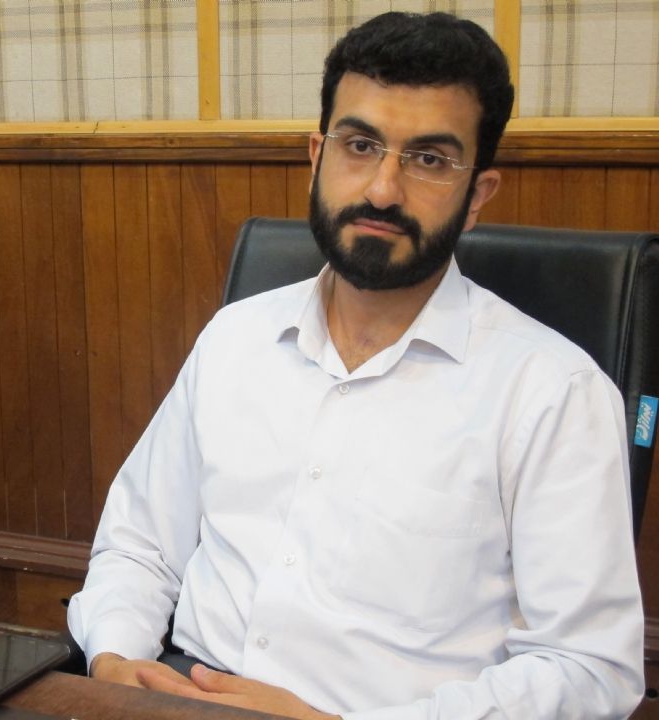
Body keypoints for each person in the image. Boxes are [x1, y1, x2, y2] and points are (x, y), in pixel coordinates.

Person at [66, 11, 644, 720]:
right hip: (174, 697)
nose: (381, 191)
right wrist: (114, 661)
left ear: (477, 196)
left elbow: (588, 670)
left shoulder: (553, 393)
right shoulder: (235, 339)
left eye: (429, 159)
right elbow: (139, 546)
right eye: (360, 145)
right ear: (317, 157)